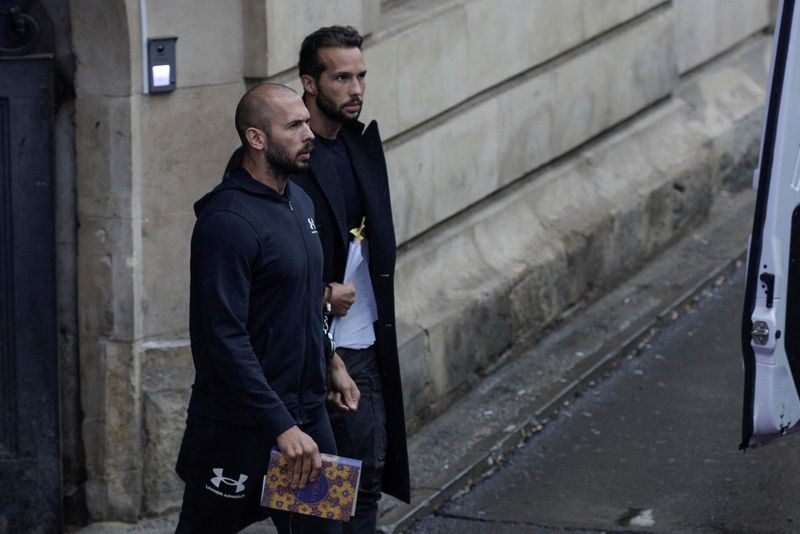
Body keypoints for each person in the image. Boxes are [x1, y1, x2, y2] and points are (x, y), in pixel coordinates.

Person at [174, 83, 356, 534]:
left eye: (306, 122)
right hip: (238, 429)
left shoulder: (300, 201)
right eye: (293, 125)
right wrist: (279, 425)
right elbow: (223, 337)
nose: (308, 133)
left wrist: (329, 358)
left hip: (307, 417)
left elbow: (300, 302)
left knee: (328, 530)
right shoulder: (228, 222)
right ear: (256, 138)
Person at [292, 25, 411, 533]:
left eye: (361, 76)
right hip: (305, 352)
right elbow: (257, 262)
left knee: (364, 480)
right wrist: (319, 294)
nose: (357, 89)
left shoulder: (359, 145)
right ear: (310, 82)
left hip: (362, 342)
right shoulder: (285, 157)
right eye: (342, 77)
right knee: (316, 495)